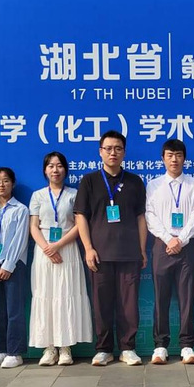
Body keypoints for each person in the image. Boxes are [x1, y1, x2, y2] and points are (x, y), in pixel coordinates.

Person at [75, 130, 147, 366]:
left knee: (129, 304)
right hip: (100, 254)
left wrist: (142, 249)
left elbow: (141, 218)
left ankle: (128, 348)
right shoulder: (89, 181)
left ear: (124, 152)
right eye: (108, 148)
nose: (113, 153)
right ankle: (104, 349)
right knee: (101, 303)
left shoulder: (135, 181)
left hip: (129, 253)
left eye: (117, 148)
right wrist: (88, 248)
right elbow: (81, 216)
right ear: (100, 152)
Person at [29, 151, 93, 366]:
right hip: (44, 251)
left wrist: (58, 245)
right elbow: (33, 226)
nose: (55, 170)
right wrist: (47, 247)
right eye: (50, 166)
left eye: (59, 166)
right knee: (46, 295)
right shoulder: (38, 195)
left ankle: (65, 348)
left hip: (67, 249)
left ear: (65, 169)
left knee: (66, 295)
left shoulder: (74, 194)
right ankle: (49, 348)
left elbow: (79, 224)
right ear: (45, 170)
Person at [145, 139, 194, 365]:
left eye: (178, 155)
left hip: (187, 247)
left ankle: (187, 345)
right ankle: (160, 345)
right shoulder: (154, 185)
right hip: (162, 245)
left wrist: (181, 239)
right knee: (161, 297)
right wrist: (168, 238)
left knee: (187, 298)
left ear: (184, 158)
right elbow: (150, 216)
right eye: (170, 155)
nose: (174, 159)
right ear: (163, 158)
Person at [0, 167, 29, 369]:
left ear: (13, 183)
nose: (1, 185)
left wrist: (9, 264)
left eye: (5, 181)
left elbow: (20, 240)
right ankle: (0, 350)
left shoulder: (20, 209)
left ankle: (15, 352)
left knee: (14, 310)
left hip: (14, 264)